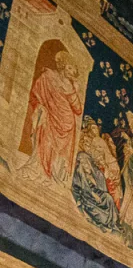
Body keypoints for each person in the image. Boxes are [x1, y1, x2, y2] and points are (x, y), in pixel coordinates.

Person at [23, 49, 82, 184]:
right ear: (62, 66)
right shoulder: (48, 77)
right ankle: (39, 171)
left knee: (58, 153)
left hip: (66, 124)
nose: (71, 71)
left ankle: (52, 175)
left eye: (73, 69)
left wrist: (75, 91)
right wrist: (39, 106)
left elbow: (78, 110)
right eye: (69, 67)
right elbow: (35, 94)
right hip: (49, 117)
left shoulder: (70, 86)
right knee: (45, 142)